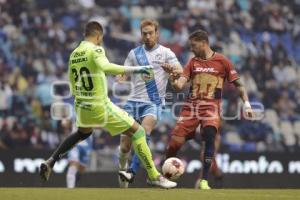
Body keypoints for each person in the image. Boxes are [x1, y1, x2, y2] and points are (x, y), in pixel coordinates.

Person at [39, 21, 177, 189]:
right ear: (98, 36)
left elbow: (72, 81)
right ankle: (154, 175)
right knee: (139, 132)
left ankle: (51, 160)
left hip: (82, 106)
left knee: (82, 133)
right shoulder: (96, 49)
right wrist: (139, 69)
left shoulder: (75, 53)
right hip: (100, 106)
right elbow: (106, 67)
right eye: (101, 39)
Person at [165, 30, 254, 189]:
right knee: (173, 145)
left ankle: (204, 180)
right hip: (190, 108)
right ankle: (164, 177)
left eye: (193, 45)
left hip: (211, 108)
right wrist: (172, 78)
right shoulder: (192, 63)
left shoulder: (223, 61)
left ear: (203, 43)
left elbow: (239, 85)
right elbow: (179, 86)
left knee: (210, 136)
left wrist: (247, 104)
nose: (191, 49)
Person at [117, 19, 182, 188]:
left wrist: (172, 71)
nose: (147, 36)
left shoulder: (166, 53)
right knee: (125, 146)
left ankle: (131, 171)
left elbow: (180, 71)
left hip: (153, 102)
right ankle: (123, 166)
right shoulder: (134, 53)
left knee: (144, 132)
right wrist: (120, 77)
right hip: (133, 102)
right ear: (141, 35)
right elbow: (124, 73)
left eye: (150, 33)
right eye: (144, 33)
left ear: (157, 33)